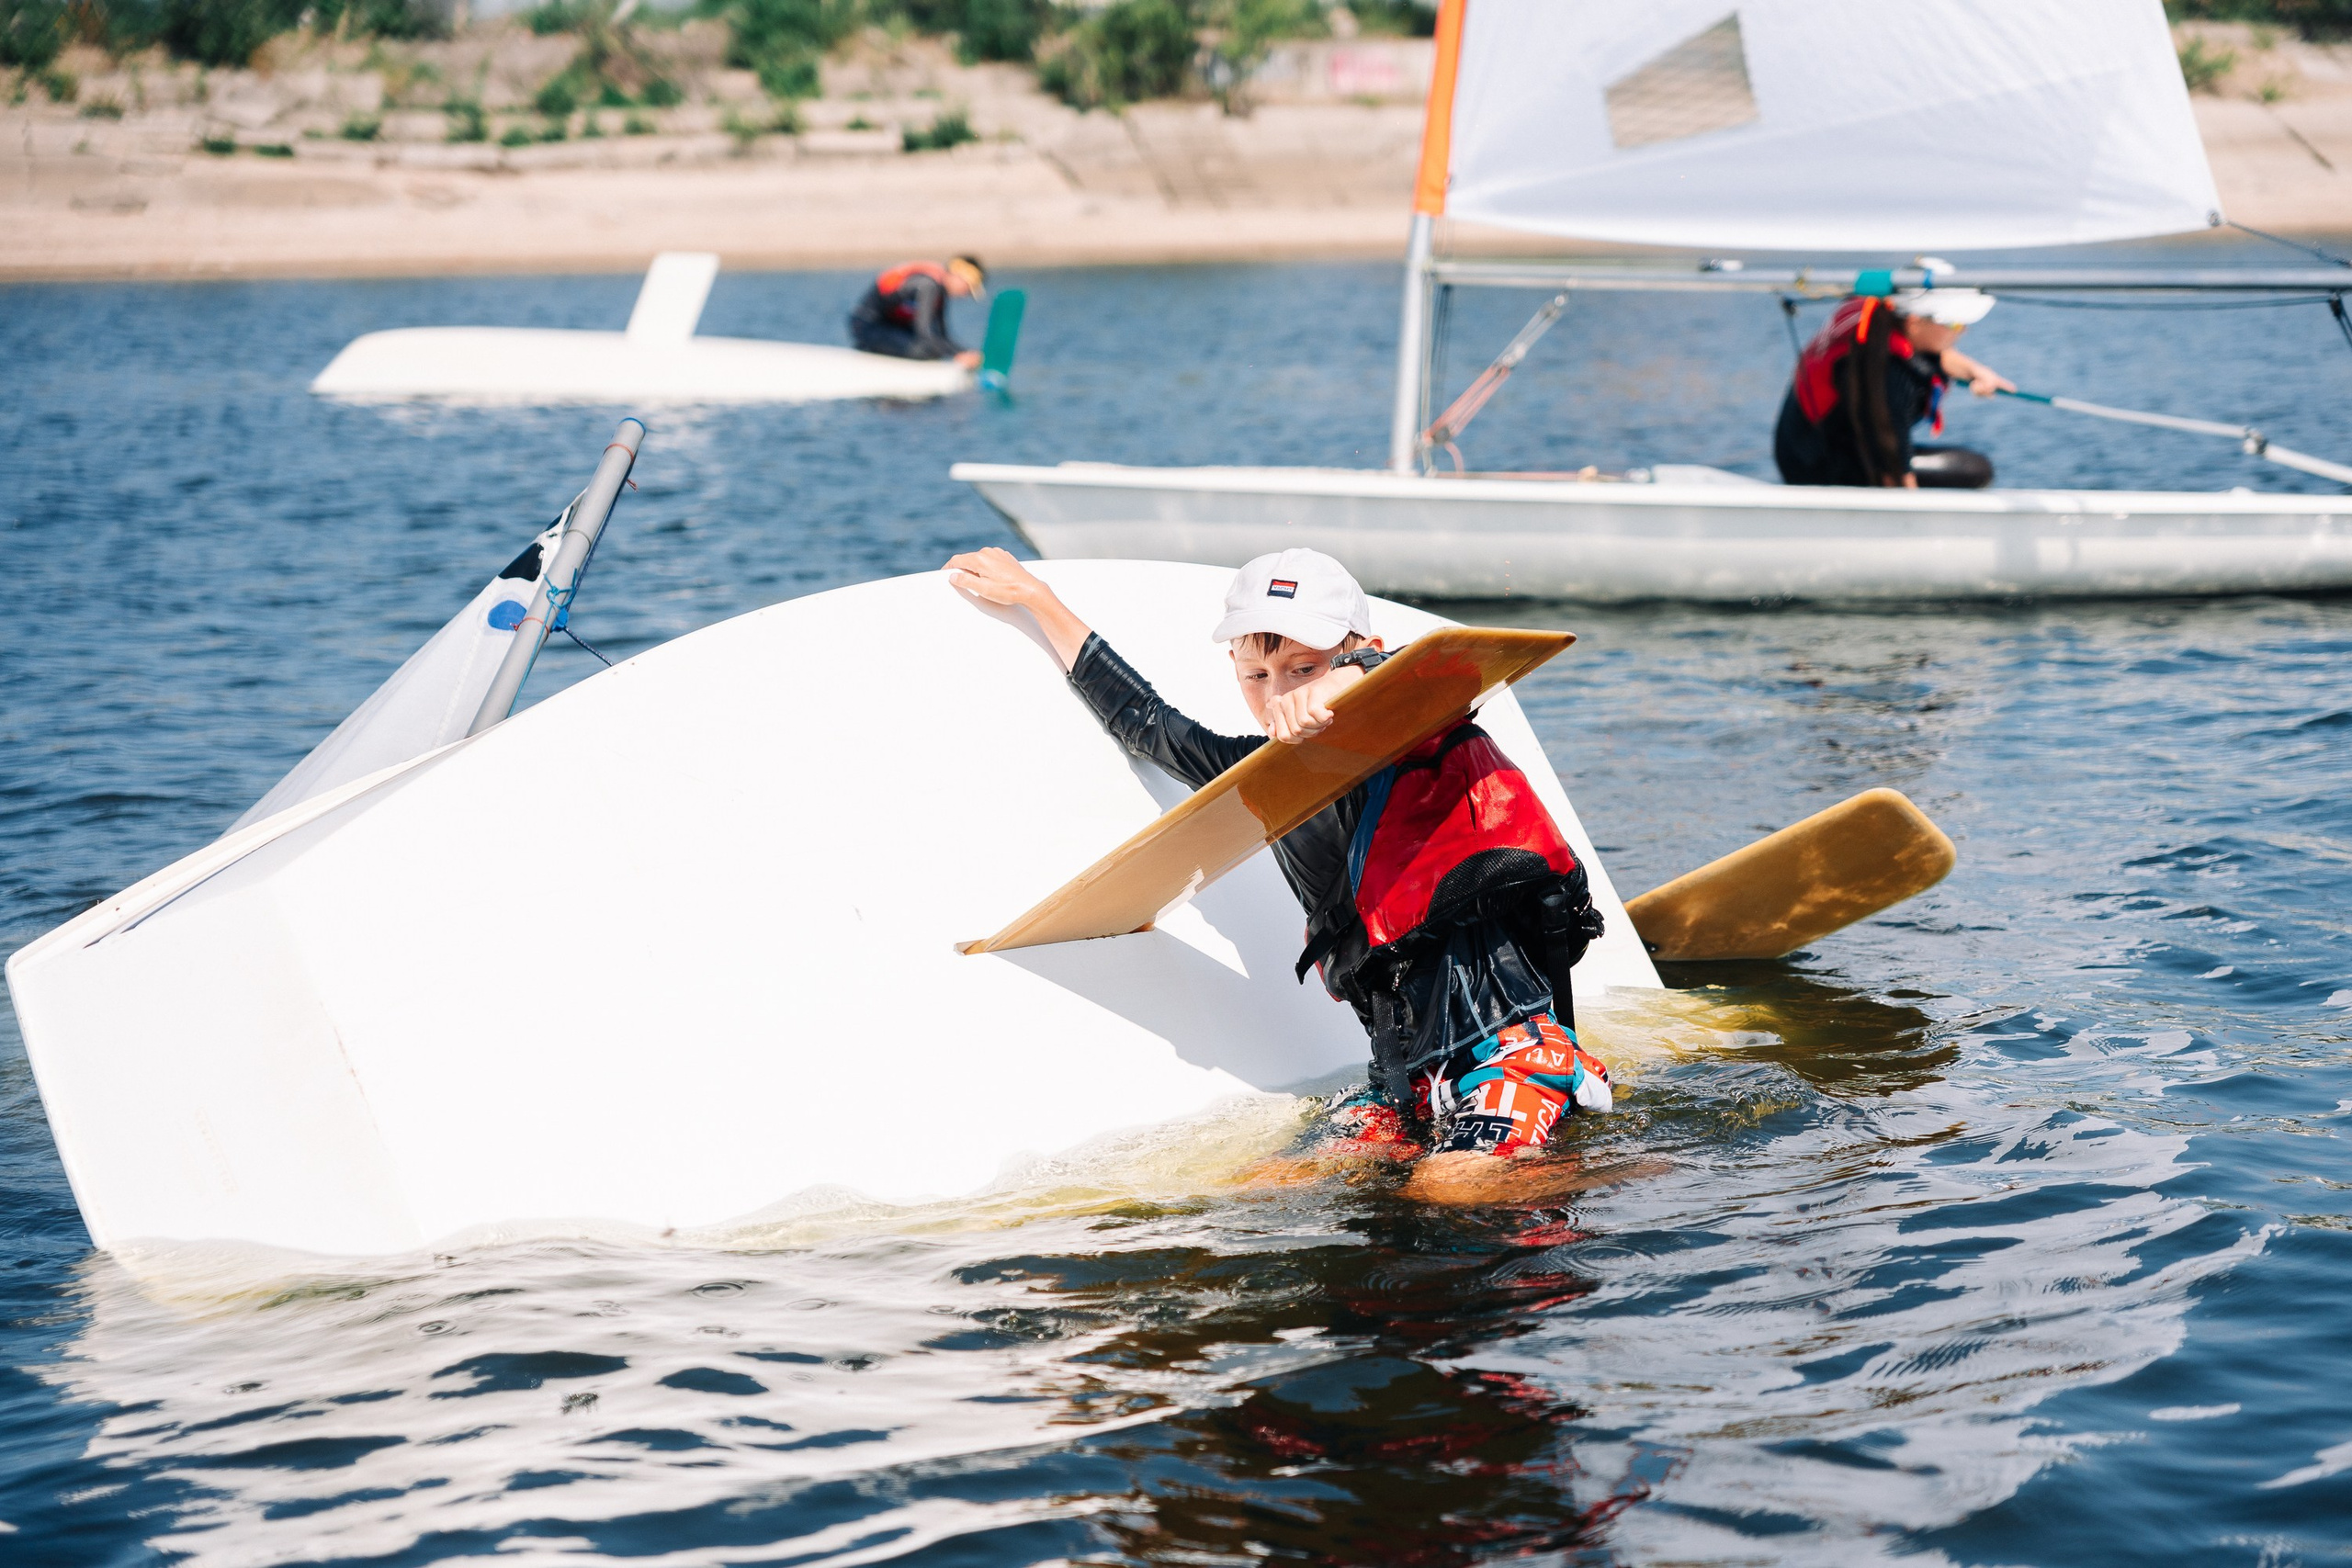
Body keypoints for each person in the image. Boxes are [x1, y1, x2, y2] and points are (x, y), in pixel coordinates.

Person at [944, 545, 1615, 1204]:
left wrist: (1351, 681)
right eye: (1256, 675)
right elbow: (1145, 723)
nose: (1279, 695)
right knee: (1261, 1191)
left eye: (1304, 668)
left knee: (1448, 1189)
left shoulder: (1416, 728)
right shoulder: (1257, 775)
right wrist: (1039, 601)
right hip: (1405, 1080)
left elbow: (1444, 673)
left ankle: (1621, 1168)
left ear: (1362, 652)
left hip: (1512, 1052)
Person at [1774, 272, 2016, 490]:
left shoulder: (1881, 318)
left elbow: (1931, 349)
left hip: (1796, 449)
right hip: (1820, 467)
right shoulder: (1891, 373)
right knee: (1975, 470)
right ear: (1914, 322)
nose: (1963, 330)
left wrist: (1976, 372)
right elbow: (1890, 455)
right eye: (1954, 323)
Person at [848, 256, 986, 366]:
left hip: (890, 327)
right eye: (968, 287)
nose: (965, 294)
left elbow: (940, 335)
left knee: (932, 349)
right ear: (957, 276)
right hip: (868, 326)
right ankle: (869, 352)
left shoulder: (939, 291)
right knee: (924, 350)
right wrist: (957, 354)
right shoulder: (928, 286)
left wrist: (966, 352)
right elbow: (925, 333)